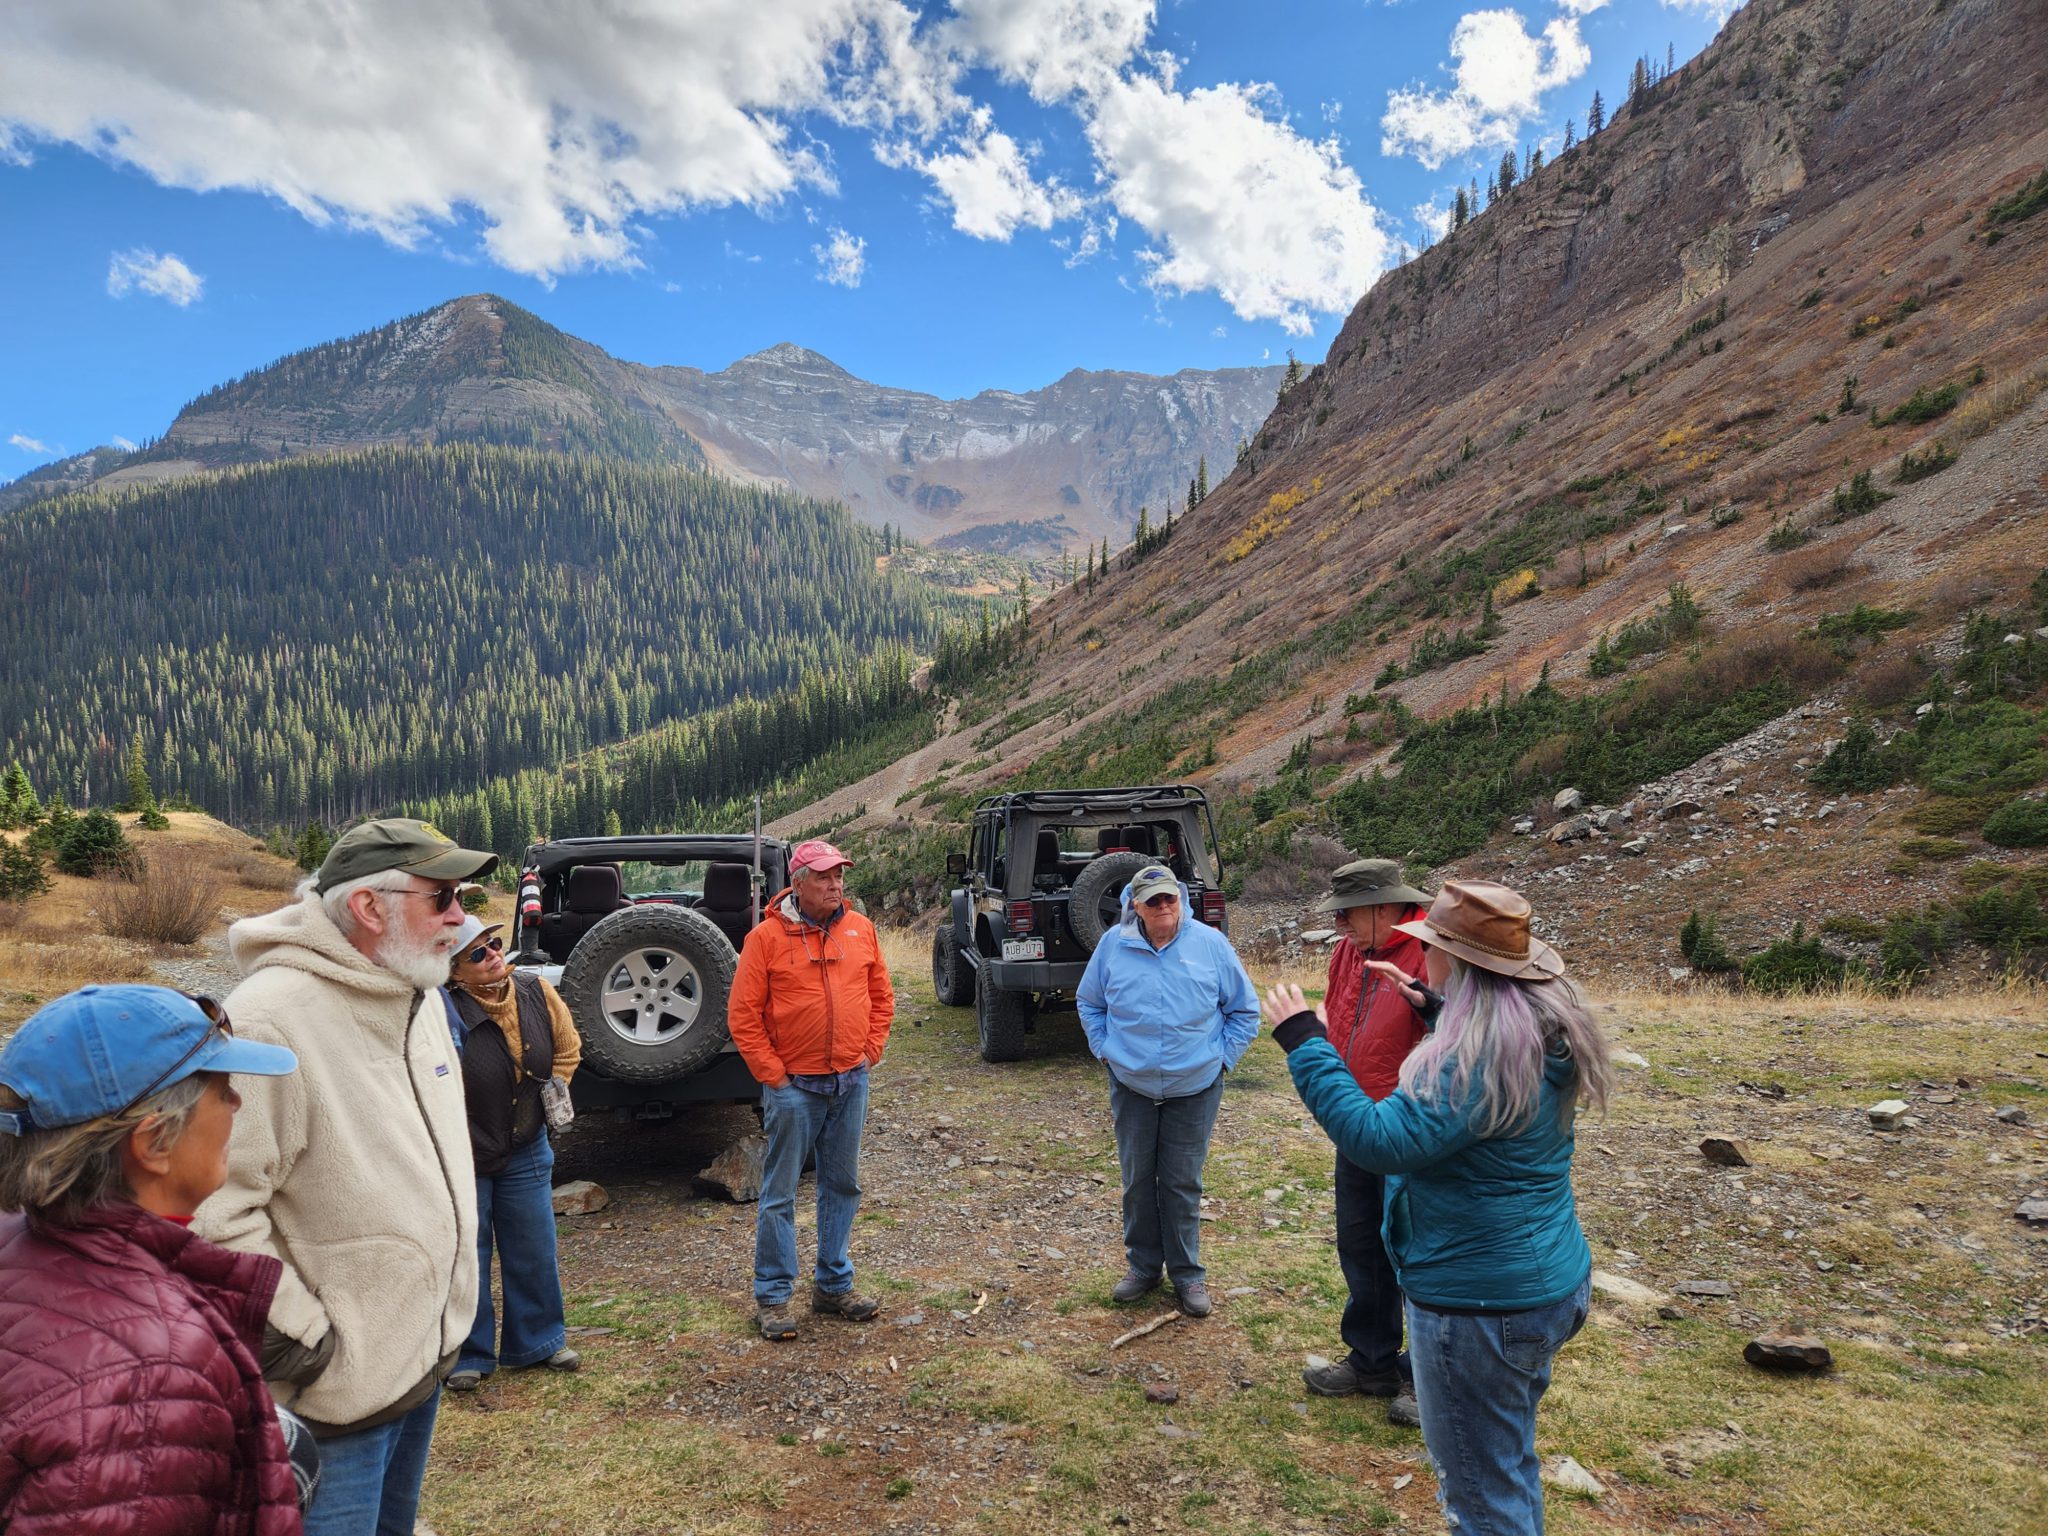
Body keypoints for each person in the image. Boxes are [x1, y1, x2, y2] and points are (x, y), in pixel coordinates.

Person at [1262, 880, 1614, 1536]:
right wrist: (1433, 1009)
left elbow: (1377, 1140)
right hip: (1543, 1286)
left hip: (1477, 1309)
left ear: (1461, 965)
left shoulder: (1472, 1060)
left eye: (1434, 947)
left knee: (1479, 1495)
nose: (1427, 957)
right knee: (1504, 1464)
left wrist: (1306, 1042)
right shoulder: (1541, 1031)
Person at [195, 817, 497, 1536]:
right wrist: (307, 1342)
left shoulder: (415, 991)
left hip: (420, 1360)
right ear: (369, 907)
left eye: (464, 895)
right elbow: (212, 1212)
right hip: (331, 1394)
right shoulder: (270, 1021)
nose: (461, 917)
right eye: (444, 897)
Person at [0, 984, 307, 1534]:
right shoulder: (149, 1377)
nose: (236, 1103)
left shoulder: (20, 1241)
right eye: (221, 1089)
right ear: (154, 1143)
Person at [727, 837, 895, 1341]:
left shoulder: (860, 929)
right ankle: (774, 1296)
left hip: (851, 1081)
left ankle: (833, 1286)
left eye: (839, 875)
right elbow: (743, 1016)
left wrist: (870, 1051)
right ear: (797, 883)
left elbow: (881, 995)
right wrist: (773, 1075)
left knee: (842, 1185)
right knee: (779, 1193)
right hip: (794, 1088)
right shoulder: (765, 939)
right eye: (823, 876)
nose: (835, 884)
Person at [1077, 862, 1260, 1318]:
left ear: (1181, 900)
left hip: (1194, 1084)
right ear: (1134, 906)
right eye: (1152, 900)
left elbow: (1244, 1011)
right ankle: (1143, 1268)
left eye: (1169, 898)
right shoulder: (1111, 946)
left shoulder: (1211, 944)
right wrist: (1104, 1049)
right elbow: (1089, 1001)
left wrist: (1222, 1059)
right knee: (1137, 1181)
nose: (1163, 906)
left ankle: (1188, 1274)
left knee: (1181, 1182)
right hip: (1132, 1084)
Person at [1303, 858, 1431, 1426]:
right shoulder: (1349, 952)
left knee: (1419, 1251)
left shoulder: (1431, 954)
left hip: (1412, 1129)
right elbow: (1336, 1017)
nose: (1341, 927)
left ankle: (1427, 1375)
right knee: (1359, 1241)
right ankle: (1372, 1361)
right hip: (1357, 1122)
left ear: (1385, 906)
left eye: (1349, 914)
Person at [442, 913, 583, 1390]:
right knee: (469, 1255)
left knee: (534, 1246)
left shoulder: (536, 991)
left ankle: (539, 1342)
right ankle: (469, 1354)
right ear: (453, 970)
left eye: (494, 944)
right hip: (466, 1152)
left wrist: (550, 1095)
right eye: (477, 953)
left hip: (526, 1143)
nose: (493, 954)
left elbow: (567, 1049)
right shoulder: (439, 1008)